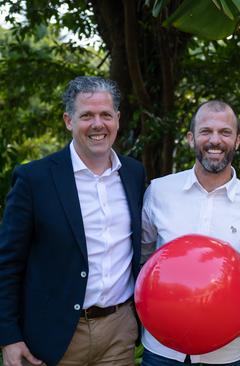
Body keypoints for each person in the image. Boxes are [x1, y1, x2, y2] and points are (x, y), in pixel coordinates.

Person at [0, 76, 146, 366]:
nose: (97, 124)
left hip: (119, 331)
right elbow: (8, 263)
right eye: (86, 115)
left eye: (106, 115)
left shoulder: (134, 173)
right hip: (51, 335)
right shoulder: (34, 179)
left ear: (117, 119)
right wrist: (8, 336)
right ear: (68, 120)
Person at [140, 100, 240, 366]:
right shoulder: (159, 192)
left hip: (227, 352)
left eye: (225, 132)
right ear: (191, 138)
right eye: (205, 131)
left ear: (237, 140)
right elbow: (144, 256)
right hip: (163, 350)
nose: (215, 140)